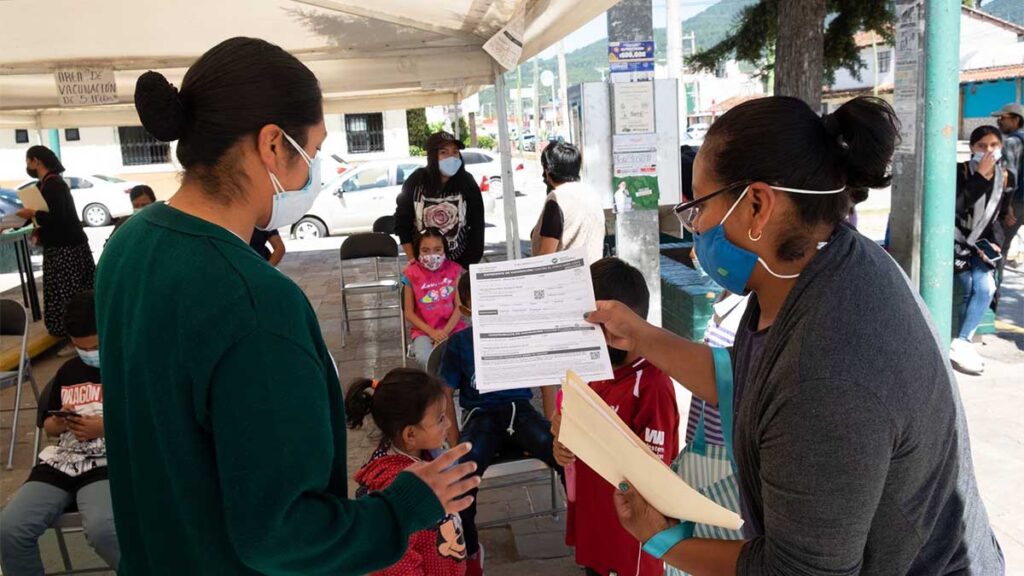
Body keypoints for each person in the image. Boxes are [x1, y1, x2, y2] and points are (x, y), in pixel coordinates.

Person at [95, 37, 480, 574]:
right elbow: (281, 533)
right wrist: (404, 506)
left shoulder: (129, 245)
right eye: (313, 152)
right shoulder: (255, 302)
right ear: (273, 144)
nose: (314, 172)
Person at [584, 96, 1004, 575]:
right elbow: (749, 376)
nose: (695, 227)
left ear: (757, 205)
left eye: (698, 207)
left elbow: (798, 571)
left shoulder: (827, 371)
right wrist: (638, 335)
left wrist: (663, 540)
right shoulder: (812, 265)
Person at [551, 257, 678, 576]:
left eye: (593, 325)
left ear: (624, 322)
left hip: (631, 542)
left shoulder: (652, 384)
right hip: (594, 525)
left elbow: (654, 473)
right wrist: (562, 442)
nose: (586, 335)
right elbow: (568, 437)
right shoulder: (592, 372)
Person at [439, 272, 561, 576]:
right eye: (479, 301)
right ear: (465, 308)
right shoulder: (459, 344)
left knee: (566, 455)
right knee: (462, 474)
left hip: (521, 413)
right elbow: (444, 393)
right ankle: (469, 550)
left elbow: (547, 379)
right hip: (481, 416)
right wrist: (454, 442)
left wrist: (553, 428)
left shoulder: (520, 334)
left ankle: (586, 530)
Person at [0, 290, 120, 575]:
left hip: (106, 463)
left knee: (103, 529)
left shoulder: (128, 367)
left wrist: (104, 427)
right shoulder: (68, 371)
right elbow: (49, 426)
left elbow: (149, 423)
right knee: (10, 529)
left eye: (95, 346)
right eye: (80, 347)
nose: (88, 354)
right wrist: (62, 421)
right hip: (61, 462)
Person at [347, 369, 467, 576]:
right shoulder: (393, 485)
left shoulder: (425, 455)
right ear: (410, 434)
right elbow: (396, 562)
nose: (448, 423)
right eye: (440, 419)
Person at [949, 126, 1015, 375]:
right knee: (967, 284)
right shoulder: (960, 171)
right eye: (982, 146)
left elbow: (999, 215)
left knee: (986, 286)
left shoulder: (1006, 176)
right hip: (954, 239)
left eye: (994, 145)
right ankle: (960, 342)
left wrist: (995, 242)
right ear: (971, 148)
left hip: (982, 243)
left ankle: (963, 341)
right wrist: (979, 178)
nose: (988, 151)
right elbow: (956, 207)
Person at [16, 146, 95, 338]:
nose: (27, 165)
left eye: (28, 161)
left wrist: (34, 214)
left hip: (66, 250)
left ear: (36, 161)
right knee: (63, 291)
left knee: (69, 293)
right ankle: (72, 332)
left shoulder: (54, 185)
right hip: (61, 247)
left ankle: (77, 333)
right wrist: (14, 223)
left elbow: (58, 217)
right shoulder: (45, 184)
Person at [395, 132, 484, 269]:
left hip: (459, 263)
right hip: (422, 263)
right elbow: (402, 222)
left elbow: (477, 224)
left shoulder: (467, 182)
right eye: (444, 152)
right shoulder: (416, 180)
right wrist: (413, 260)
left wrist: (467, 265)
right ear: (432, 156)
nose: (451, 157)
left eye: (455, 152)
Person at [531, 142, 605, 264]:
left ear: (547, 171)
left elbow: (546, 255)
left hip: (568, 274)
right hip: (594, 271)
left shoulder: (557, 199)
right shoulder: (591, 193)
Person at [404, 228, 466, 368]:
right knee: (425, 359)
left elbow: (459, 307)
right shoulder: (410, 274)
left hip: (453, 327)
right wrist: (432, 333)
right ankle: (434, 383)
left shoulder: (455, 270)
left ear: (445, 249)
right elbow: (408, 312)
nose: (432, 255)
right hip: (423, 331)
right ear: (417, 251)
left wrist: (444, 333)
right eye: (425, 250)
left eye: (437, 249)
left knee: (465, 355)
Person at [992, 103, 1024, 293]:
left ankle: (994, 292)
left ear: (1016, 120)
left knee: (1000, 247)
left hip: (1017, 203)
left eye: (1003, 118)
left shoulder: (1012, 142)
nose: (999, 121)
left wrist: (1008, 206)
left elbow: (1010, 177)